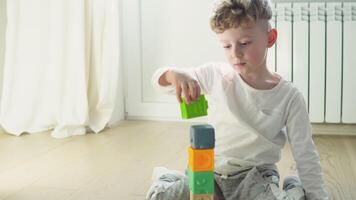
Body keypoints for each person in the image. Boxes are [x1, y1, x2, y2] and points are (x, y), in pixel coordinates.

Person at [146, 0, 329, 199]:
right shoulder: (215, 75)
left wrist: (318, 196)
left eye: (244, 43)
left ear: (270, 37)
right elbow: (159, 82)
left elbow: (306, 154)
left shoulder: (289, 97)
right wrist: (174, 75)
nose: (235, 53)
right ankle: (168, 179)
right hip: (208, 170)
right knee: (161, 197)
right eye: (226, 45)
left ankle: (294, 186)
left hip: (256, 177)